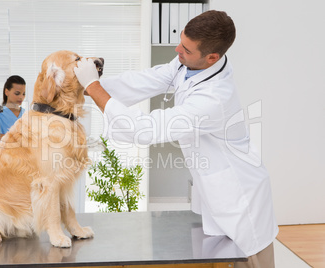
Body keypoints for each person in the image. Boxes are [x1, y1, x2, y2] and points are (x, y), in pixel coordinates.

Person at [74, 10, 278, 268]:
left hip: (240, 197)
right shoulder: (190, 63)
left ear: (212, 57)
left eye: (186, 49)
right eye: (180, 41)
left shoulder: (214, 98)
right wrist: (86, 85)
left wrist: (93, 87)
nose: (176, 50)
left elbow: (144, 130)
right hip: (216, 188)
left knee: (248, 259)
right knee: (221, 258)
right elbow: (147, 80)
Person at [0, 75, 26, 139]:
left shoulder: (26, 114)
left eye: (23, 94)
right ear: (7, 92)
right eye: (17, 93)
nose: (21, 97)